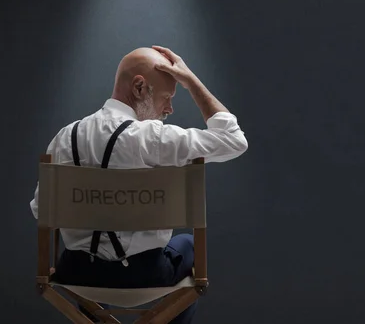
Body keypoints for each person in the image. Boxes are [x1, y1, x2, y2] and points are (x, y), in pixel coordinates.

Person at [29, 45, 248, 323]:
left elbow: (41, 211)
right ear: (139, 87)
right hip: (144, 274)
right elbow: (234, 140)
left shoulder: (64, 137)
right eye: (167, 97)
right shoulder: (151, 139)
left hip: (76, 272)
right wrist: (191, 80)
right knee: (189, 244)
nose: (169, 108)